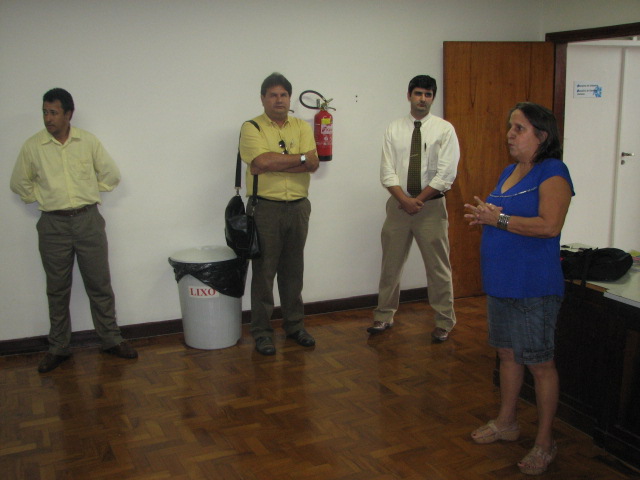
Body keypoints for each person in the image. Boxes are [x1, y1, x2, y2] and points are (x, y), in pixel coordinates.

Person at [464, 102, 574, 475]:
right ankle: (507, 422)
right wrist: (485, 218)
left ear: (541, 135)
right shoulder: (509, 171)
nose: (509, 135)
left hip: (533, 285)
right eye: (510, 127)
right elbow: (502, 218)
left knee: (541, 364)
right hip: (502, 281)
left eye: (519, 128)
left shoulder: (553, 171)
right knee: (508, 355)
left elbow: (549, 225)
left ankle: (545, 442)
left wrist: (499, 219)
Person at [10, 88, 138, 373]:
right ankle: (58, 347)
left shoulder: (87, 142)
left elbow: (111, 175)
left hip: (87, 220)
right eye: (45, 112)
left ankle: (111, 340)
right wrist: (42, 198)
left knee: (99, 284)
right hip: (52, 225)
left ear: (68, 114)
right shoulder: (33, 146)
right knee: (57, 289)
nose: (48, 118)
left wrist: (90, 192)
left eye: (54, 112)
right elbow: (18, 183)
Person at [368, 75, 459, 342]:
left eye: (428, 95)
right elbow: (387, 171)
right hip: (398, 205)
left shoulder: (444, 130)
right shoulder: (394, 128)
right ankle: (384, 315)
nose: (423, 99)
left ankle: (444, 321)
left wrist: (418, 199)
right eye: (418, 93)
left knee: (438, 268)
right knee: (390, 265)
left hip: (431, 207)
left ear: (433, 98)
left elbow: (447, 173)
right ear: (409, 95)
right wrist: (405, 200)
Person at [239, 73, 320, 356]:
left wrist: (277, 163)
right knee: (264, 274)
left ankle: (295, 326)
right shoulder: (251, 127)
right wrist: (298, 159)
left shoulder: (301, 126)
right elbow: (261, 161)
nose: (278, 100)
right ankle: (262, 332)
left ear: (289, 98)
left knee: (293, 271)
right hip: (265, 209)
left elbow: (313, 163)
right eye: (272, 95)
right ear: (263, 98)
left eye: (283, 95)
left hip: (298, 207)